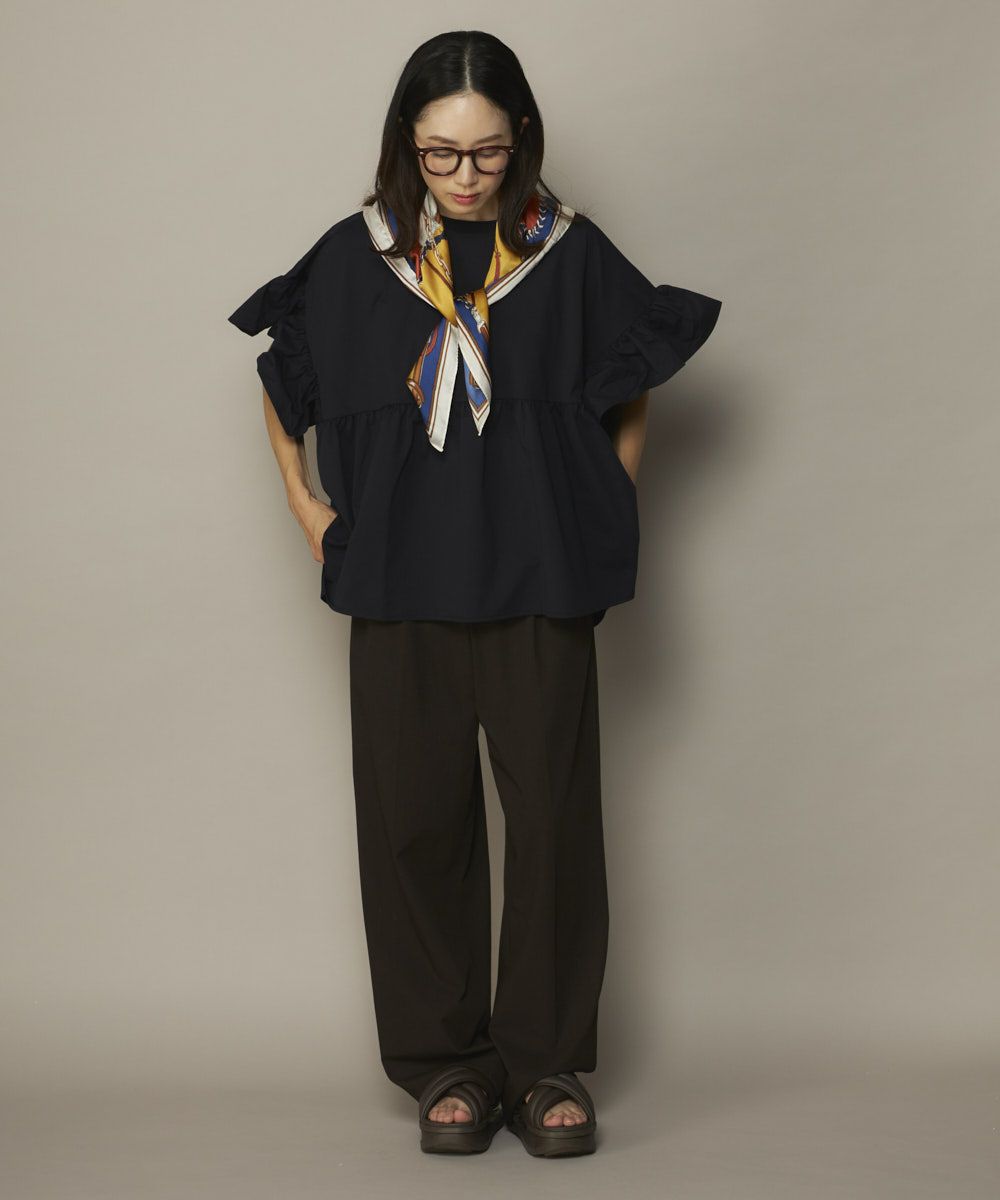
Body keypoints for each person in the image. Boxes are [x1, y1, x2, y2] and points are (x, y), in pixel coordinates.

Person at [228, 30, 722, 1158]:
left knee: (551, 821)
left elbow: (633, 374)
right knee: (413, 822)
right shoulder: (359, 254)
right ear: (406, 142)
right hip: (399, 579)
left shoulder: (562, 249)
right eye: (440, 153)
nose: (464, 176)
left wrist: (610, 493)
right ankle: (444, 1062)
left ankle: (542, 1064)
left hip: (538, 574)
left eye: (488, 152)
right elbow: (282, 376)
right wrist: (307, 507)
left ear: (522, 139)